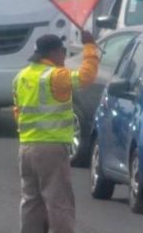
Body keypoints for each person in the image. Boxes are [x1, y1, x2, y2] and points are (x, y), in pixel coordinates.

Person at [13, 32, 99, 233]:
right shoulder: (54, 76)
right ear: (54, 52)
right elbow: (87, 77)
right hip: (50, 147)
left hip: (26, 147)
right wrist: (89, 47)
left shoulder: (21, 76)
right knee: (58, 202)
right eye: (63, 52)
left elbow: (17, 112)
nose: (65, 57)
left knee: (31, 201)